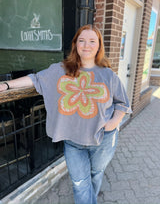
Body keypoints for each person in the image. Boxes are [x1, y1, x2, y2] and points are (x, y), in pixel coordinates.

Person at [0, 24, 132, 204]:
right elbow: (36, 78)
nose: (86, 45)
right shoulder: (61, 70)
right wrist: (7, 85)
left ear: (99, 45)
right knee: (79, 183)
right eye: (82, 40)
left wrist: (113, 123)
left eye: (92, 41)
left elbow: (122, 103)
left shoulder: (108, 75)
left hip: (103, 139)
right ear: (75, 44)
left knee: (95, 175)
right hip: (73, 142)